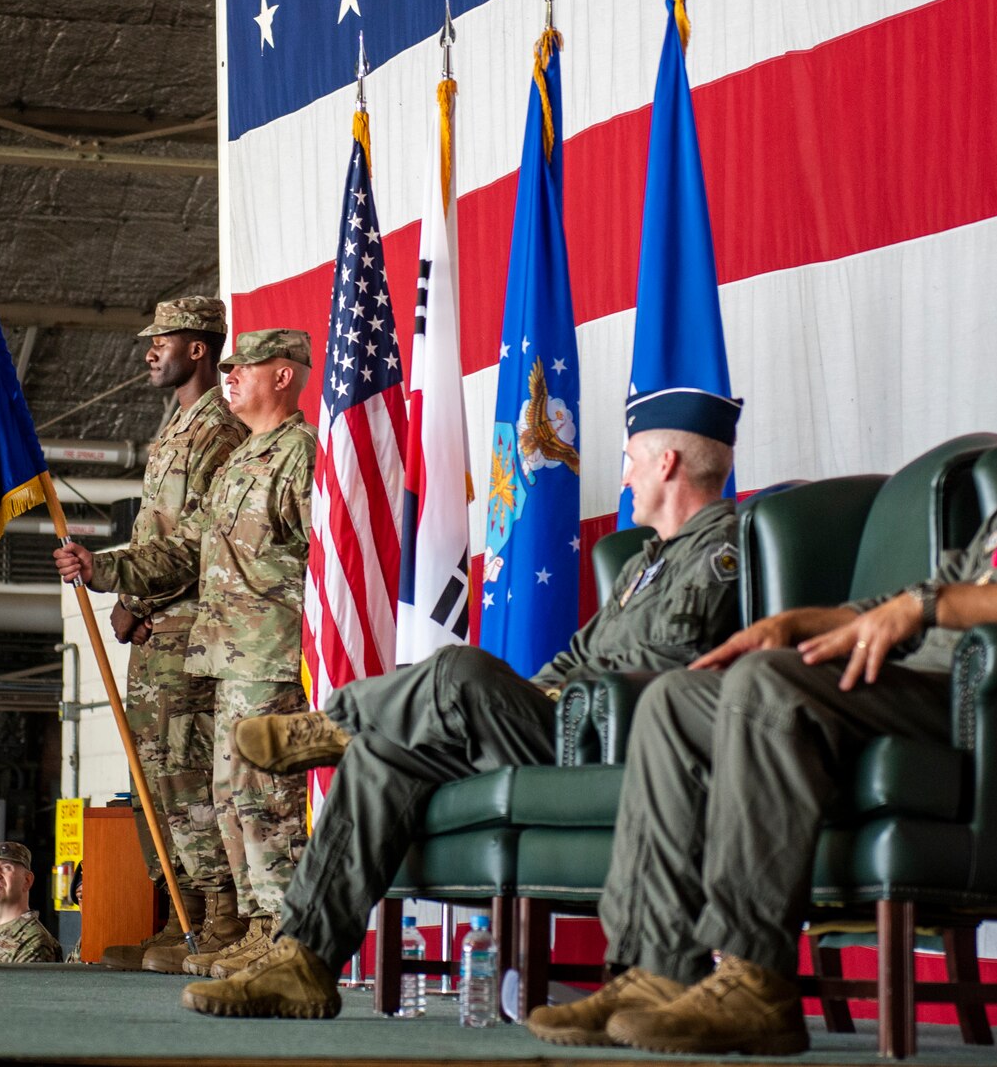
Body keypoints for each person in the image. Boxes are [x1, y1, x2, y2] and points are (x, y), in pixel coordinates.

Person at [528, 290, 997, 1054]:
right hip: (921, 681)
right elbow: (919, 596)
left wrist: (926, 609)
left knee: (766, 687)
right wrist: (807, 621)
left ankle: (754, 978)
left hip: (987, 703)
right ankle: (657, 967)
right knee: (676, 699)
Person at [175, 386, 749, 1019]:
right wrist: (532, 694)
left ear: (667, 463)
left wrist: (544, 694)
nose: (626, 475)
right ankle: (304, 959)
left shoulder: (724, 553)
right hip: (565, 726)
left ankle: (332, 723)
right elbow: (575, 658)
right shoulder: (644, 565)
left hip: (615, 744)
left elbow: (669, 668)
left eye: (633, 459)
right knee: (381, 756)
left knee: (456, 668)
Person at [54, 329, 316, 981]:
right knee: (232, 799)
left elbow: (329, 564)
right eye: (224, 367)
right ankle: (257, 928)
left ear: (282, 376)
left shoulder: (300, 456)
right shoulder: (238, 465)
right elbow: (184, 550)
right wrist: (102, 566)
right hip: (226, 661)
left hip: (274, 656)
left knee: (271, 800)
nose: (229, 375)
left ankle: (290, 934)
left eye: (242, 367)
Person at [100, 297, 251, 973]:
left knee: (188, 774)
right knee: (152, 779)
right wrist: (134, 599)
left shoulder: (218, 431)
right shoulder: (174, 429)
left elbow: (195, 544)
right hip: (155, 631)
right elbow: (156, 530)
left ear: (198, 348)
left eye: (160, 341)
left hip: (189, 631)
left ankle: (220, 917)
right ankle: (179, 915)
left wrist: (121, 582)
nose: (148, 352)